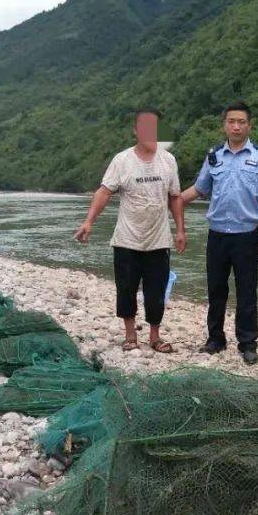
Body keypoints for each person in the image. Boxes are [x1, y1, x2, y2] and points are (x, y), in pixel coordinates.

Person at [74, 108, 185, 352]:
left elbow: (175, 197)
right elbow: (104, 191)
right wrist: (89, 221)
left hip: (158, 239)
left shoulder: (168, 161)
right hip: (127, 238)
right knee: (126, 288)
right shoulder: (122, 160)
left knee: (157, 289)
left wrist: (180, 230)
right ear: (136, 130)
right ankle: (130, 336)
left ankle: (155, 337)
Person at [178, 101, 258, 365]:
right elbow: (198, 189)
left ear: (249, 125)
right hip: (217, 235)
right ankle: (215, 339)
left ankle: (247, 343)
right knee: (216, 289)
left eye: (241, 122)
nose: (236, 126)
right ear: (224, 124)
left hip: (247, 235)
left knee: (247, 291)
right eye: (231, 121)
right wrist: (174, 200)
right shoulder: (214, 157)